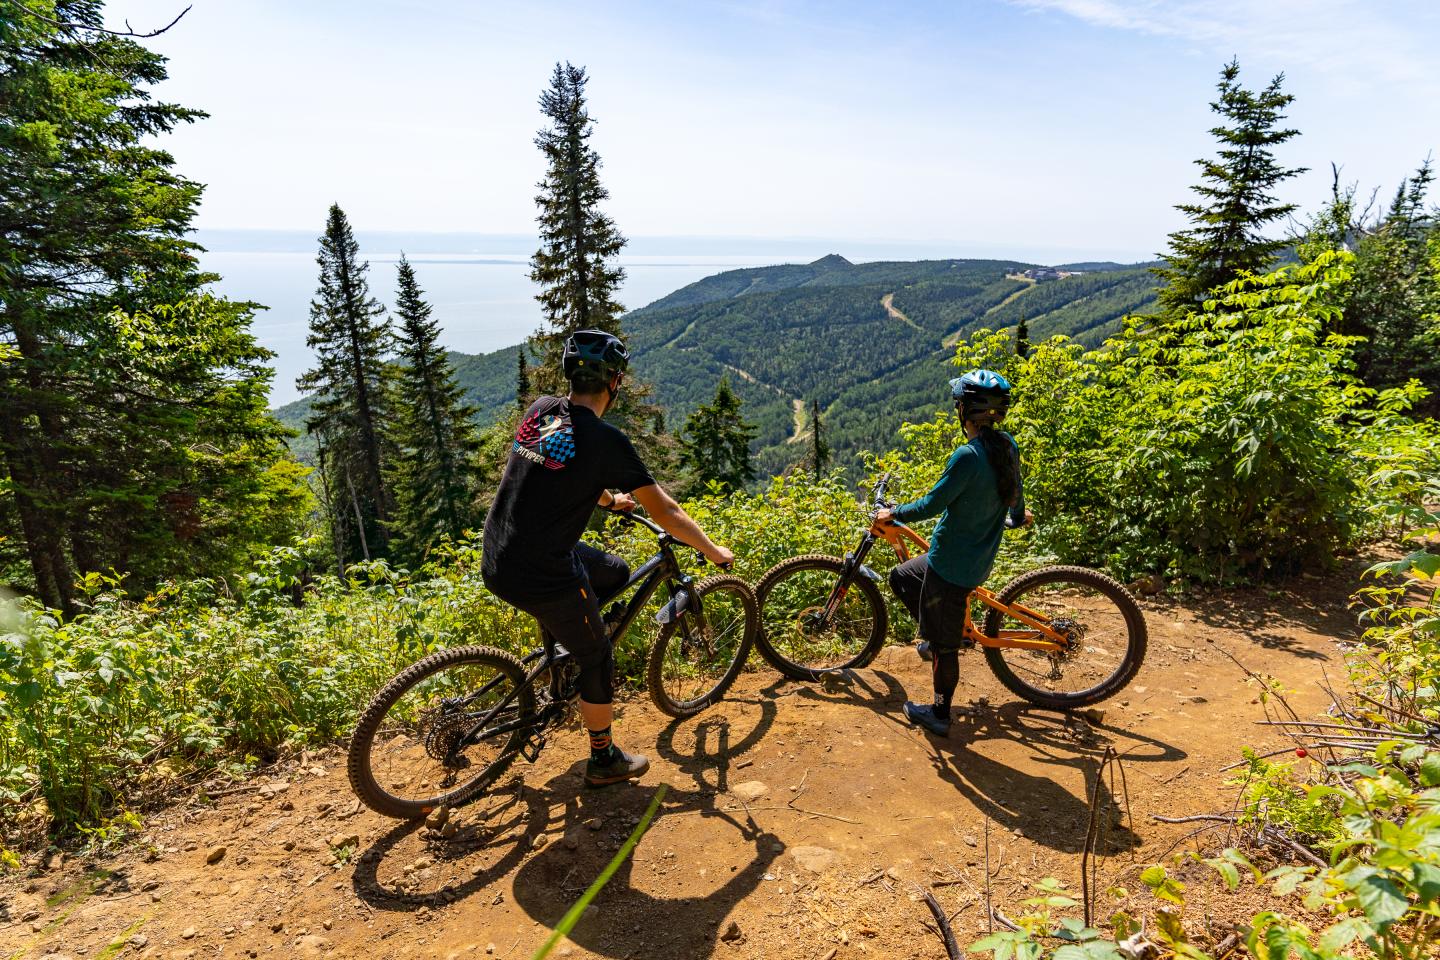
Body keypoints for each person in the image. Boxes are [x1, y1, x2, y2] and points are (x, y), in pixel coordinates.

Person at [481, 329, 735, 787]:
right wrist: (712, 551)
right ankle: (604, 760)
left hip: (502, 549)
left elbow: (557, 462)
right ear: (614, 382)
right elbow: (667, 512)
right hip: (540, 569)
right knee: (598, 656)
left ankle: (563, 652)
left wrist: (606, 500)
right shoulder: (606, 440)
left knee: (615, 571)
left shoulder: (543, 410)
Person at [874, 369, 1031, 737]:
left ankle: (939, 713)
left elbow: (932, 504)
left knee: (945, 649)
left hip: (951, 567)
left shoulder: (967, 456)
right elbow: (1015, 491)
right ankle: (940, 634)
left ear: (964, 411)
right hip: (974, 558)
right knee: (902, 576)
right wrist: (1017, 517)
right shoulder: (1006, 445)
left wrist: (893, 512)